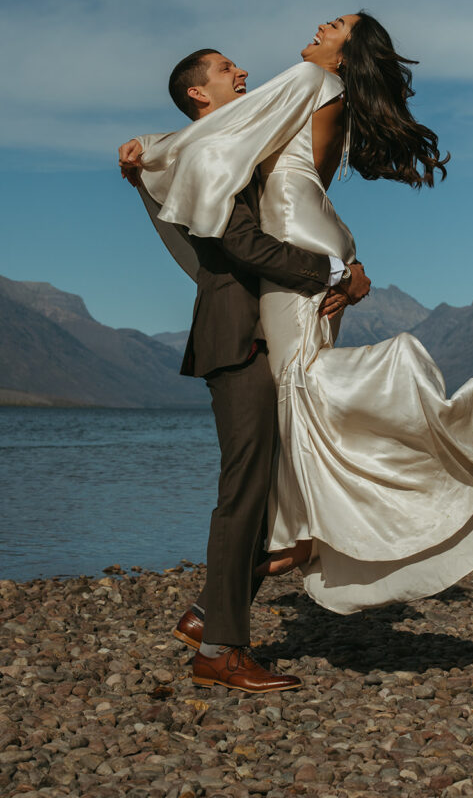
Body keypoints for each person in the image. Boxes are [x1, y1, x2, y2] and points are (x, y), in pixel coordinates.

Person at [129, 10, 473, 622]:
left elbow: (215, 144)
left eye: (337, 25)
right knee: (305, 395)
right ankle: (276, 558)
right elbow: (300, 178)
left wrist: (149, 150)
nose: (322, 25)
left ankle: (294, 544)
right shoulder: (329, 96)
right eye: (225, 67)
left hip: (302, 253)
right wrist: (339, 262)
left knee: (303, 392)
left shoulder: (306, 78)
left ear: (346, 51)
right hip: (316, 240)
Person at [119, 48, 370, 694]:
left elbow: (296, 212)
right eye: (227, 69)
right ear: (199, 93)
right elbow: (241, 244)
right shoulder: (210, 159)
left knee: (280, 486)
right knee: (246, 493)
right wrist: (328, 273)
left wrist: (351, 270)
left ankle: (210, 616)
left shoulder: (235, 145)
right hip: (240, 337)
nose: (244, 74)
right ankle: (221, 647)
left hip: (271, 333)